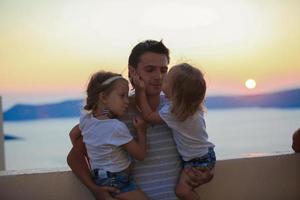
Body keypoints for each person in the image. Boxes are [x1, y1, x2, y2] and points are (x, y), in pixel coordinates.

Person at [67, 40, 214, 200]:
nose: (158, 76)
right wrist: (95, 189)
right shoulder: (116, 113)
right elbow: (74, 157)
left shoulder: (177, 109)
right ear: (132, 72)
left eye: (164, 70)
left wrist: (205, 173)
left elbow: (199, 147)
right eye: (150, 69)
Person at [132, 63, 215, 200]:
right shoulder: (193, 108)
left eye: (166, 79)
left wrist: (140, 90)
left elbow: (148, 116)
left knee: (182, 192)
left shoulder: (173, 112)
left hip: (195, 161)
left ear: (176, 91)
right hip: (206, 155)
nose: (161, 78)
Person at [75, 71, 149, 200]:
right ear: (103, 97)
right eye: (122, 96)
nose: (127, 101)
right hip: (117, 181)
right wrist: (141, 131)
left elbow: (73, 135)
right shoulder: (116, 127)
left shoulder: (86, 119)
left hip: (99, 178)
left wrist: (93, 152)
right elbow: (140, 155)